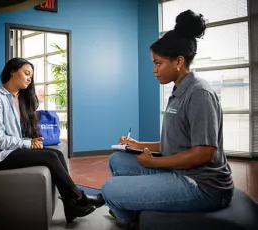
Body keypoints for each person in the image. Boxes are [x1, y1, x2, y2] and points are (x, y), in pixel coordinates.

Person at [100, 10, 234, 229]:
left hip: (202, 186)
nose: (154, 70)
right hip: (179, 171)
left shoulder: (199, 93)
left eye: (158, 63)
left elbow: (203, 152)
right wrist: (137, 145)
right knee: (117, 159)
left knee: (109, 189)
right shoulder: (179, 90)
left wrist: (153, 162)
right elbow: (178, 144)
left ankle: (128, 220)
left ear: (178, 61)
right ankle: (140, 202)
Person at [0, 57, 105, 223]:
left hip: (9, 151)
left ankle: (70, 205)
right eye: (26, 73)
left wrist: (31, 141)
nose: (30, 78)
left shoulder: (16, 99)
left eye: (31, 75)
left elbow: (12, 135)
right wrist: (27, 143)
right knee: (49, 157)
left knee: (56, 153)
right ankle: (78, 197)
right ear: (12, 71)